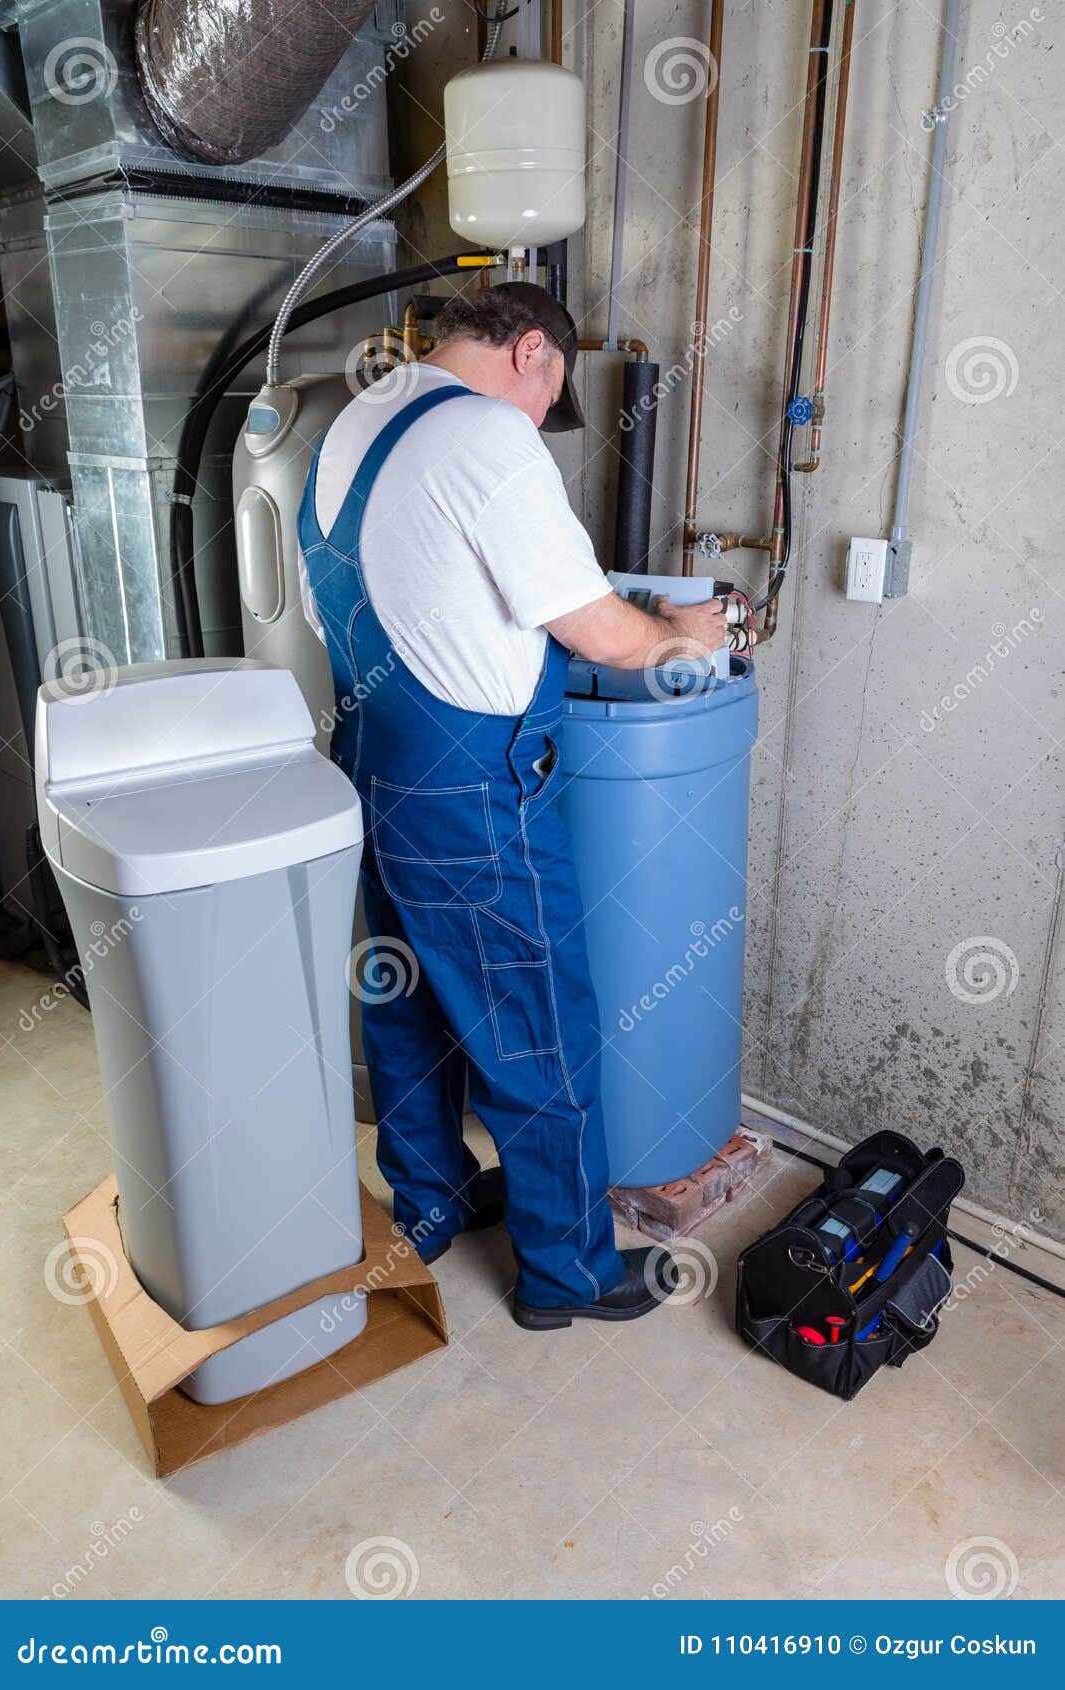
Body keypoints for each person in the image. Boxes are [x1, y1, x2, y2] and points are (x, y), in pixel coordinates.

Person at [297, 282, 727, 1328]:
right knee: (536, 1021)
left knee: (404, 998)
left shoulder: (357, 416)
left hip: (368, 764)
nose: (541, 418)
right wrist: (692, 634)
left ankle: (431, 1200)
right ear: (532, 352)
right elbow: (603, 638)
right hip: (471, 791)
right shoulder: (489, 435)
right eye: (550, 394)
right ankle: (565, 1273)